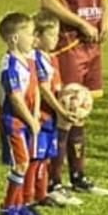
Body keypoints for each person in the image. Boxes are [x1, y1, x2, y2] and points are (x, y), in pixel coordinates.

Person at [37, 0, 108, 196]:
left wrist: (105, 19)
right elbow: (44, 0)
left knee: (82, 108)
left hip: (92, 46)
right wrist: (80, 23)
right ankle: (55, 182)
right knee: (64, 110)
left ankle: (78, 177)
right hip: (67, 45)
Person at [0, 13, 42, 215]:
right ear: (15, 38)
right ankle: (7, 207)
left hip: (28, 120)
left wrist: (36, 115)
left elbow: (36, 88)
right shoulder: (9, 65)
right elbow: (15, 98)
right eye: (30, 34)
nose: (34, 39)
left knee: (26, 162)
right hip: (13, 122)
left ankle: (20, 204)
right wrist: (30, 120)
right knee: (21, 164)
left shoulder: (29, 60)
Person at [31, 12, 72, 205]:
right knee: (37, 157)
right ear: (36, 38)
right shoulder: (37, 59)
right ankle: (34, 194)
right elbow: (44, 89)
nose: (57, 39)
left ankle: (43, 191)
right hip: (42, 116)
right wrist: (61, 111)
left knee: (47, 155)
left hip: (51, 116)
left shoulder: (51, 58)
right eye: (52, 35)